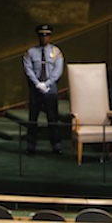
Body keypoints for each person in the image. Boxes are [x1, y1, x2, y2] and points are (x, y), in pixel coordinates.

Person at [22, 24, 64, 155]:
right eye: (42, 35)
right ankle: (31, 146)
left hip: (50, 89)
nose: (44, 38)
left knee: (52, 118)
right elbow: (28, 69)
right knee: (33, 119)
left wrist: (47, 84)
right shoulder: (30, 52)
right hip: (36, 89)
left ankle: (56, 145)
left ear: (50, 36)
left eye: (46, 35)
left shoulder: (56, 52)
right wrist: (37, 84)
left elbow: (58, 70)